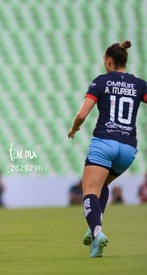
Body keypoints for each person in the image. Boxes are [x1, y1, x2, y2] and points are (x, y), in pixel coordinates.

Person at [68, 40, 147, 258]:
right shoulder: (139, 84)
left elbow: (82, 114)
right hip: (128, 149)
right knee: (102, 186)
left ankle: (97, 231)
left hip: (104, 143)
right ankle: (94, 232)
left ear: (109, 60)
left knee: (89, 191)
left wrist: (74, 128)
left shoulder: (101, 82)